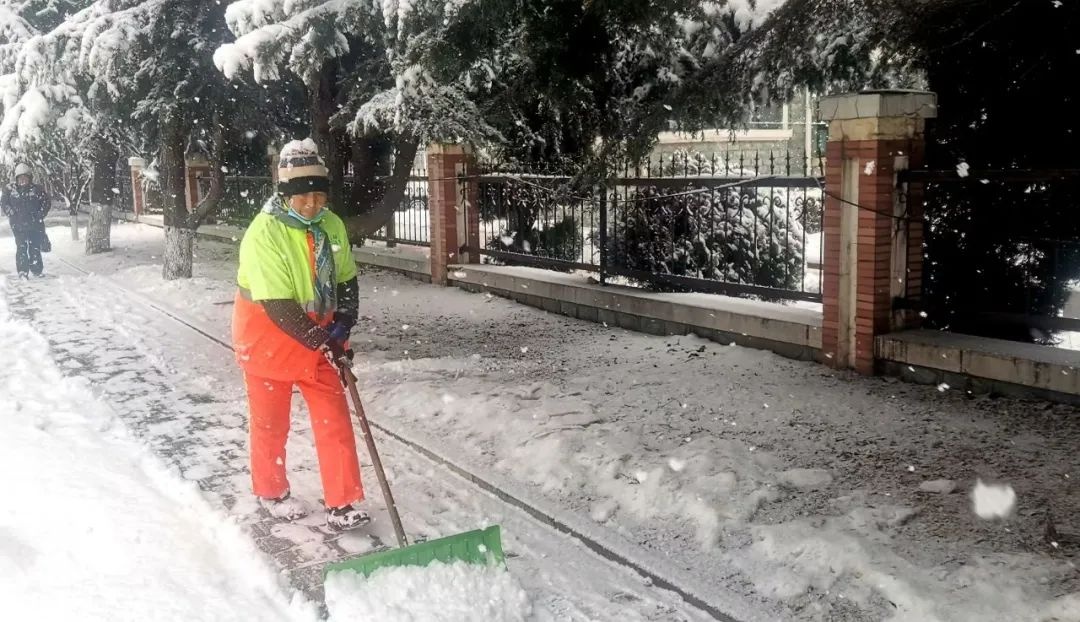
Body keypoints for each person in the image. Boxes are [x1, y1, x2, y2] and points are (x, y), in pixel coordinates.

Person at [231, 139, 368, 530]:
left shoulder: (331, 224)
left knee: (334, 420)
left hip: (318, 339)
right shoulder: (264, 232)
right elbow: (277, 303)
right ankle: (271, 491)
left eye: (318, 194)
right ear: (285, 193)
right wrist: (322, 340)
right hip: (267, 340)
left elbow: (346, 279)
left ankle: (342, 502)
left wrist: (343, 322)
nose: (312, 203)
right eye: (303, 195)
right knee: (271, 424)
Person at [0, 163, 48, 279]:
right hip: (18, 225)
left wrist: (40, 214)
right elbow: (4, 203)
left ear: (30, 178)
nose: (23, 181)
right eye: (20, 178)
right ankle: (22, 271)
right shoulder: (10, 190)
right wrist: (11, 213)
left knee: (34, 247)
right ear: (16, 179)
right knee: (21, 247)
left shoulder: (37, 190)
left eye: (25, 178)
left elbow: (46, 202)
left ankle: (36, 270)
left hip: (34, 224)